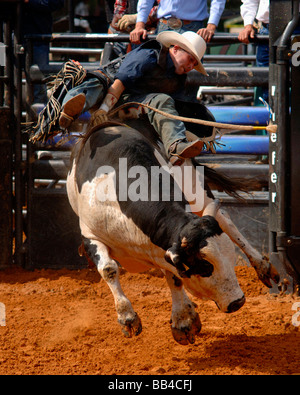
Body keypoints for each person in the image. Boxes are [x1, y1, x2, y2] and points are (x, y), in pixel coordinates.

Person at [31, 31, 208, 165]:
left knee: (162, 100)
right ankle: (70, 110)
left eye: (195, 63)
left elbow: (169, 104)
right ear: (175, 49)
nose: (191, 66)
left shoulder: (178, 79)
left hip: (134, 103)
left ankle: (175, 147)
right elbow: (118, 84)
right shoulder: (148, 56)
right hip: (110, 88)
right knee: (95, 85)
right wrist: (103, 110)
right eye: (190, 59)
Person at [22, 0, 65, 103]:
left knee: (39, 80)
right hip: (15, 33)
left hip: (38, 35)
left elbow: (57, 3)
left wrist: (30, 2)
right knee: (9, 78)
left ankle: (39, 115)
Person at [129, 0, 226, 44]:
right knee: (160, 76)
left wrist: (211, 27)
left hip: (191, 28)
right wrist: (139, 26)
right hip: (164, 26)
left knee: (189, 76)